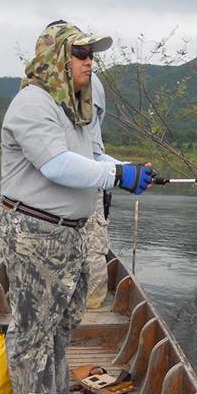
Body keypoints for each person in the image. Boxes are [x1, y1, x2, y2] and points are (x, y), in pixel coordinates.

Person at [0, 20, 154, 394]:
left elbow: (93, 156)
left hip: (72, 232)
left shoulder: (78, 106)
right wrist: (116, 175)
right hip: (34, 233)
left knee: (63, 322)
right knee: (33, 333)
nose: (90, 62)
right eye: (81, 54)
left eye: (92, 55)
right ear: (57, 60)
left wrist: (126, 168)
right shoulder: (33, 103)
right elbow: (57, 165)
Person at [86, 73, 113, 310]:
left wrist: (124, 171)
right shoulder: (90, 81)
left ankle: (92, 301)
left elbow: (92, 151)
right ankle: (92, 301)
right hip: (89, 181)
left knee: (92, 243)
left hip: (91, 178)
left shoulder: (89, 81)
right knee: (93, 243)